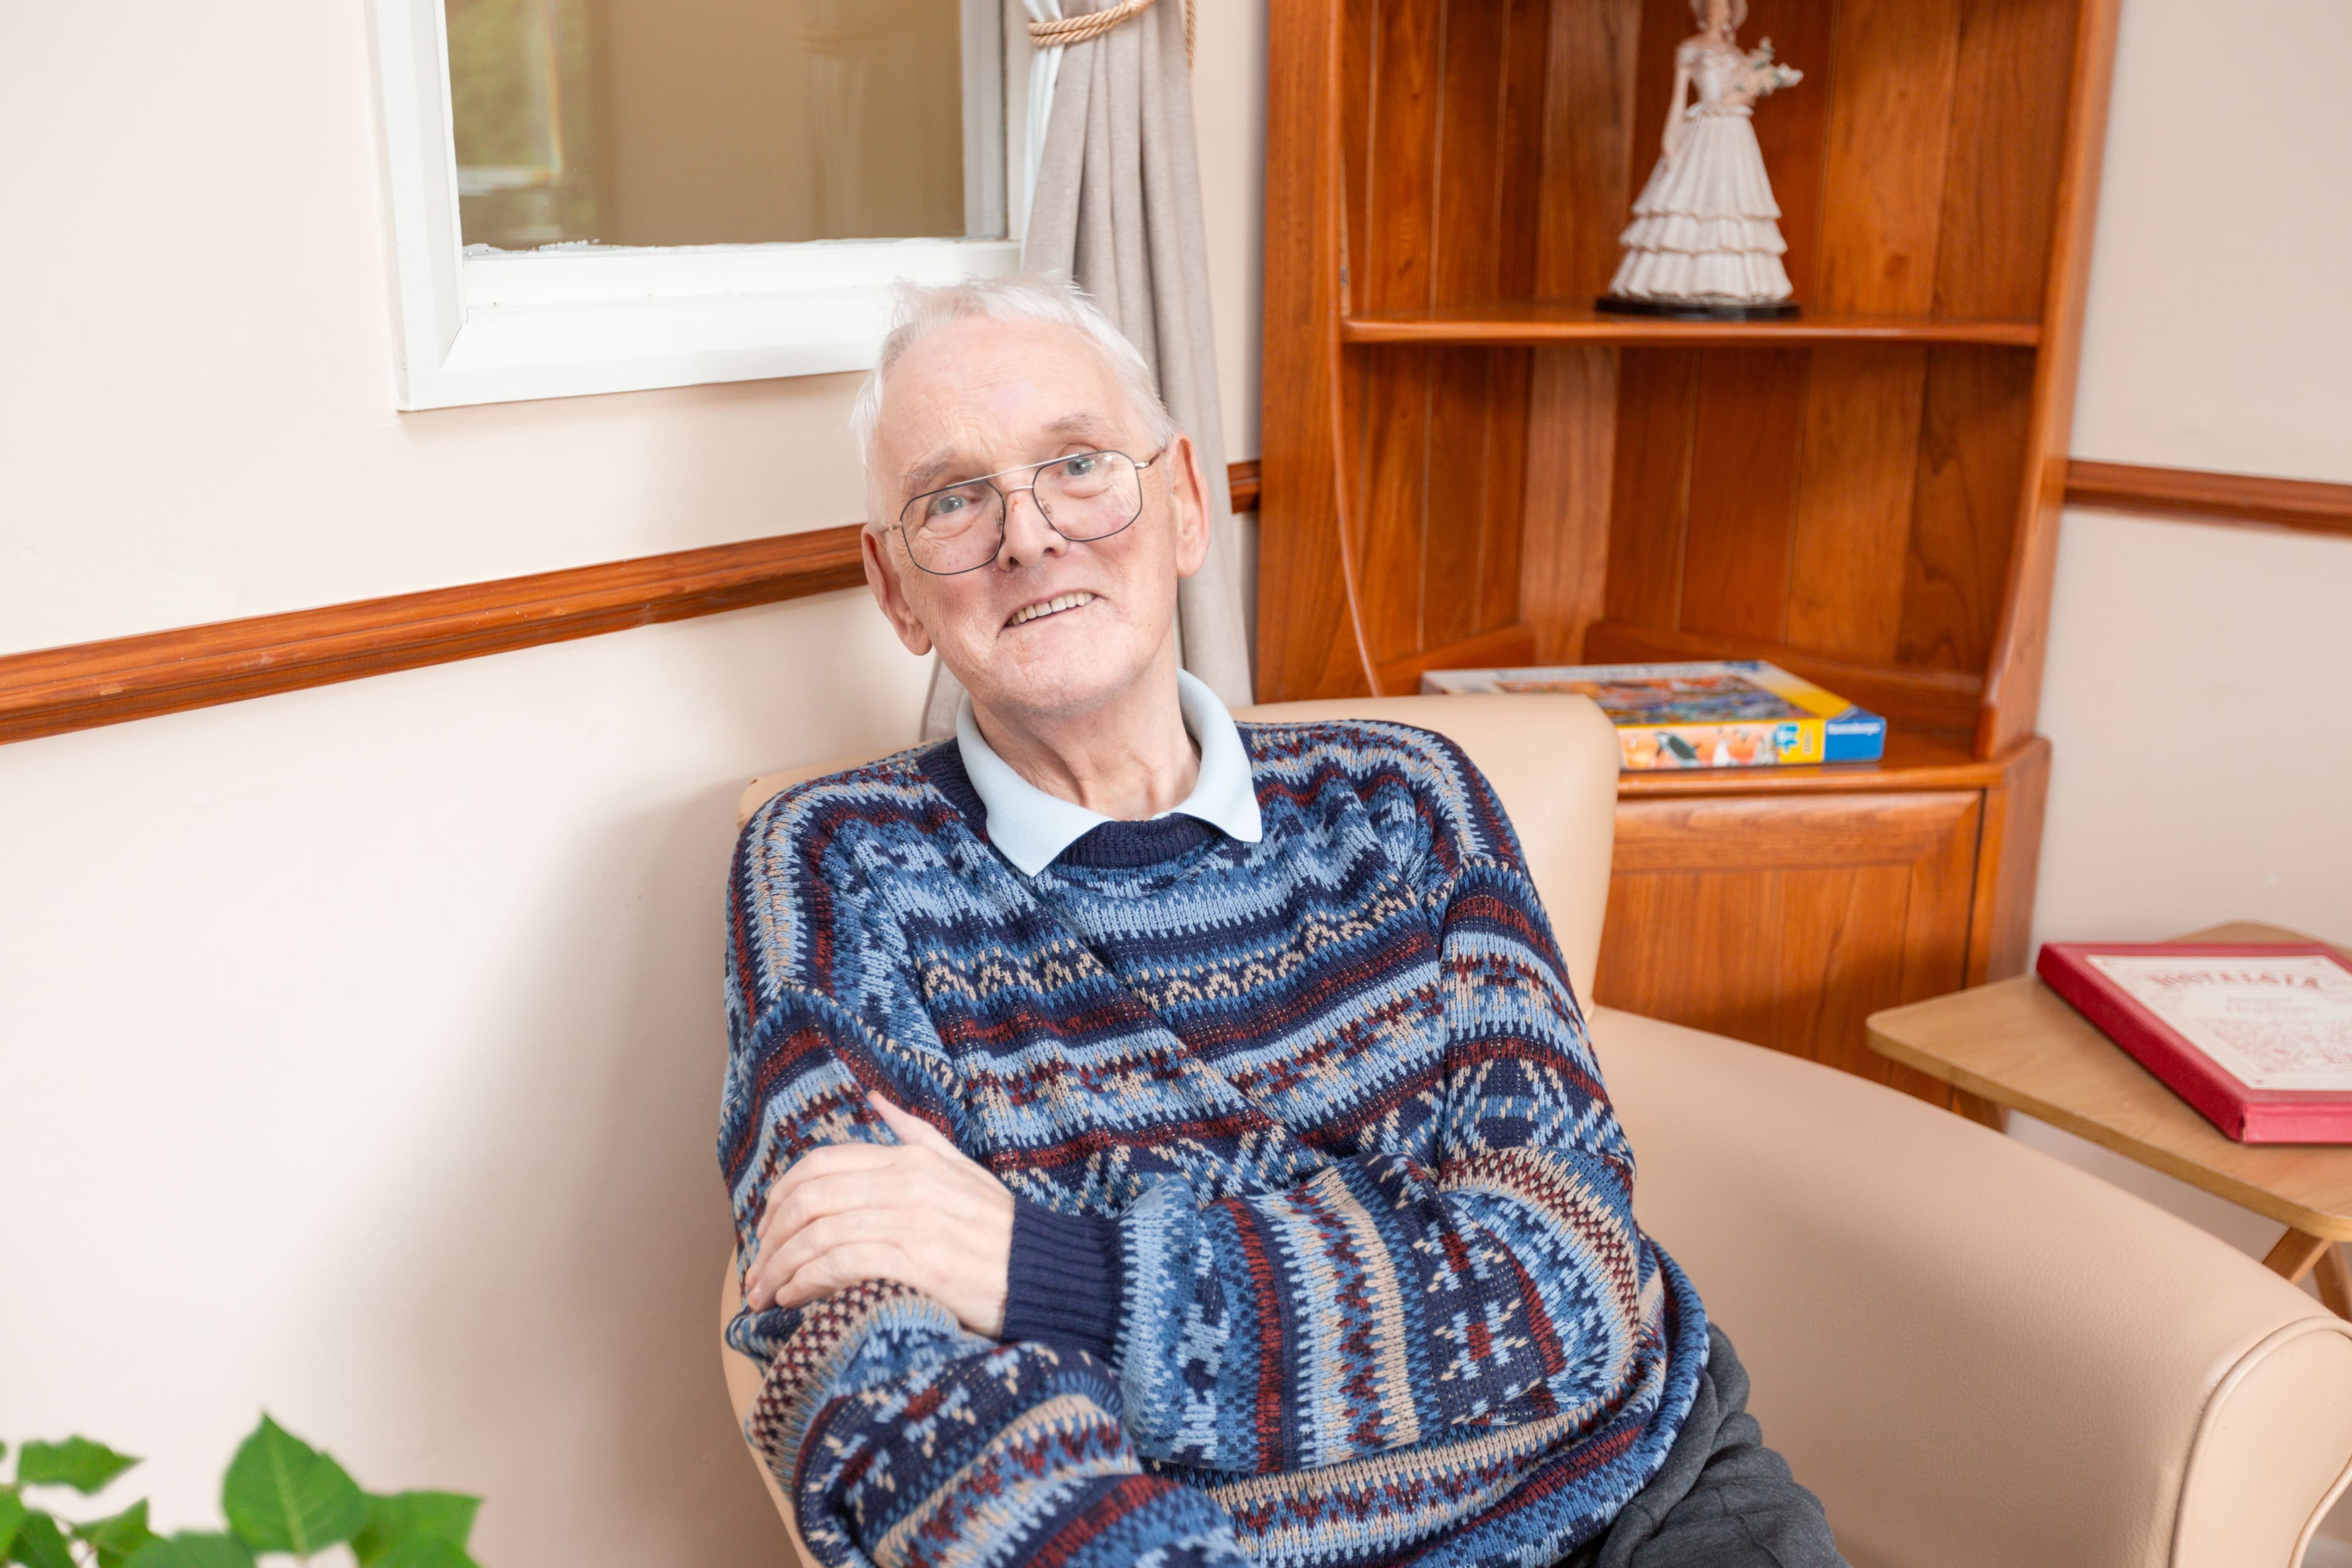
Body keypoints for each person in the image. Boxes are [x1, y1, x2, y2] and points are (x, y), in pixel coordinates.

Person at [717, 273, 1844, 1567]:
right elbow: (869, 1357)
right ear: (896, 586)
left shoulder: (1405, 799)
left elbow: (1563, 1279)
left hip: (1635, 1495)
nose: (1028, 535)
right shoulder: (834, 865)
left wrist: (1045, 1268)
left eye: (1078, 464)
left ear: (1186, 503)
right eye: (954, 500)